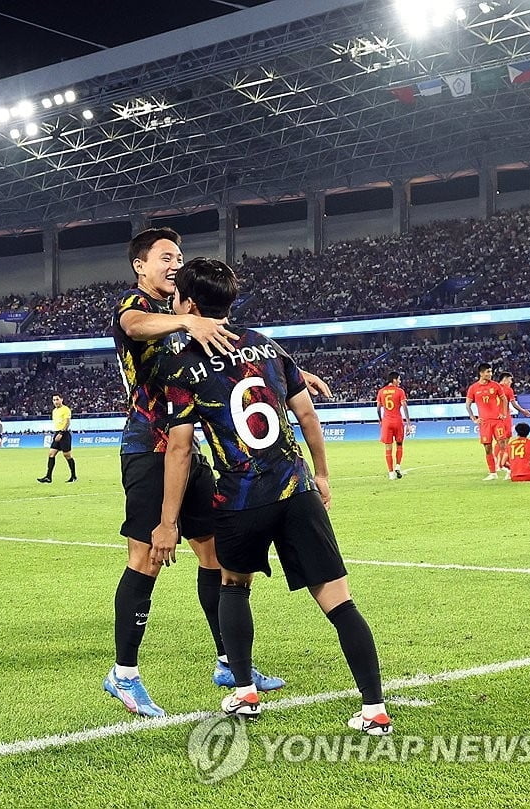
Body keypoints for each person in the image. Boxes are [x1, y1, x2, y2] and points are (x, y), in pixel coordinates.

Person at [157, 258, 390, 735]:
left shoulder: (181, 366)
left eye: (178, 298)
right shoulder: (267, 346)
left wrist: (167, 520)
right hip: (296, 489)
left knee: (233, 587)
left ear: (190, 305)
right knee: (340, 603)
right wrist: (322, 475)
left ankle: (244, 693)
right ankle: (373, 709)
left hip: (242, 499)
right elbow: (307, 415)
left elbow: (180, 450)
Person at [102, 229, 285, 719]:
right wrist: (188, 319)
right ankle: (124, 675)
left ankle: (228, 660)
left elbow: (227, 360)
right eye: (165, 257)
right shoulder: (136, 306)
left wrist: (287, 378)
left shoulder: (185, 314)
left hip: (187, 448)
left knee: (215, 553)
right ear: (141, 265)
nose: (173, 263)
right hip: (148, 447)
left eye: (178, 257)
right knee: (146, 558)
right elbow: (134, 326)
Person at [465, 363, 506, 480]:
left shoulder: (496, 386)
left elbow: (504, 399)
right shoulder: (473, 388)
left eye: (491, 372)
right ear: (481, 373)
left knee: (502, 444)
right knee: (487, 448)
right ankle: (493, 473)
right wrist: (474, 418)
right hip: (484, 423)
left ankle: (507, 467)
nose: (490, 374)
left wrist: (503, 413)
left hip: (497, 421)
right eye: (488, 372)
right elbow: (468, 405)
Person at [495, 371, 530, 478]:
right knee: (505, 440)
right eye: (510, 379)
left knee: (500, 441)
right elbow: (513, 403)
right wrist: (523, 411)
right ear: (505, 379)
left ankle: (499, 464)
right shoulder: (507, 389)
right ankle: (501, 464)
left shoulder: (493, 387)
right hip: (505, 417)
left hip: (496, 417)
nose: (511, 382)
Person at [375, 372, 410, 480]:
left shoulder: (381, 391)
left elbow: (378, 409)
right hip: (397, 421)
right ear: (394, 379)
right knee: (399, 444)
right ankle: (398, 467)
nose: (400, 381)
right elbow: (404, 406)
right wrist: (408, 422)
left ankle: (391, 473)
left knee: (388, 448)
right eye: (399, 379)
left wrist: (381, 420)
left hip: (386, 422)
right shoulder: (400, 391)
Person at [37, 394, 76, 483]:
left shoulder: (65, 409)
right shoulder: (54, 411)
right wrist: (56, 433)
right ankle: (48, 477)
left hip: (64, 434)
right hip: (57, 433)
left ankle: (73, 476)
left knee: (67, 456)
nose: (55, 401)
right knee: (51, 454)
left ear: (61, 399)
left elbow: (67, 423)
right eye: (54, 400)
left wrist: (61, 433)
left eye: (57, 399)